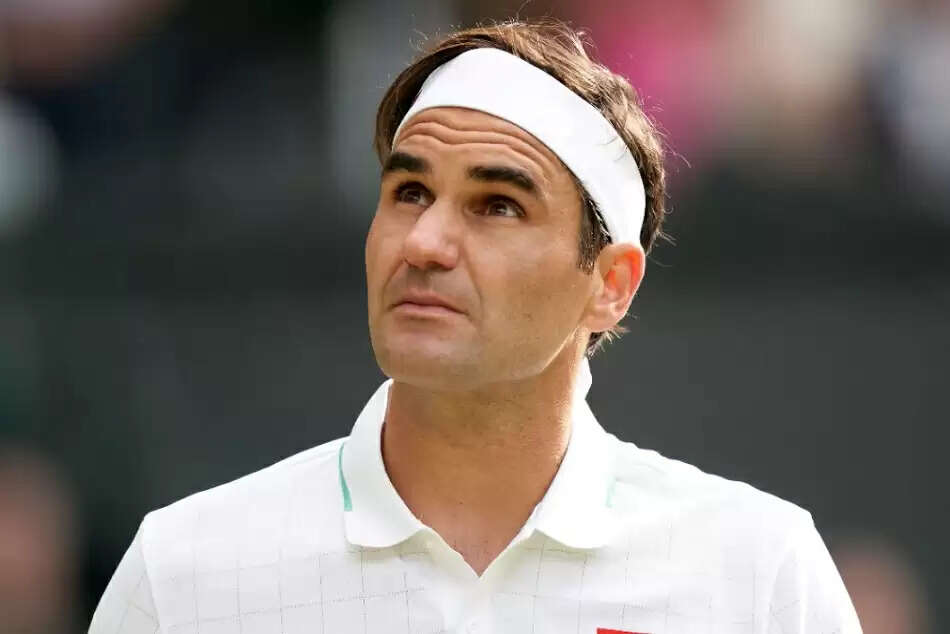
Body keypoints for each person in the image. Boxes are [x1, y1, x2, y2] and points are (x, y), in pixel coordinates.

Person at [88, 19, 861, 634]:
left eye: (497, 205)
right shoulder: (183, 574)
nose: (424, 242)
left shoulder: (760, 576)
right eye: (409, 192)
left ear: (611, 286)